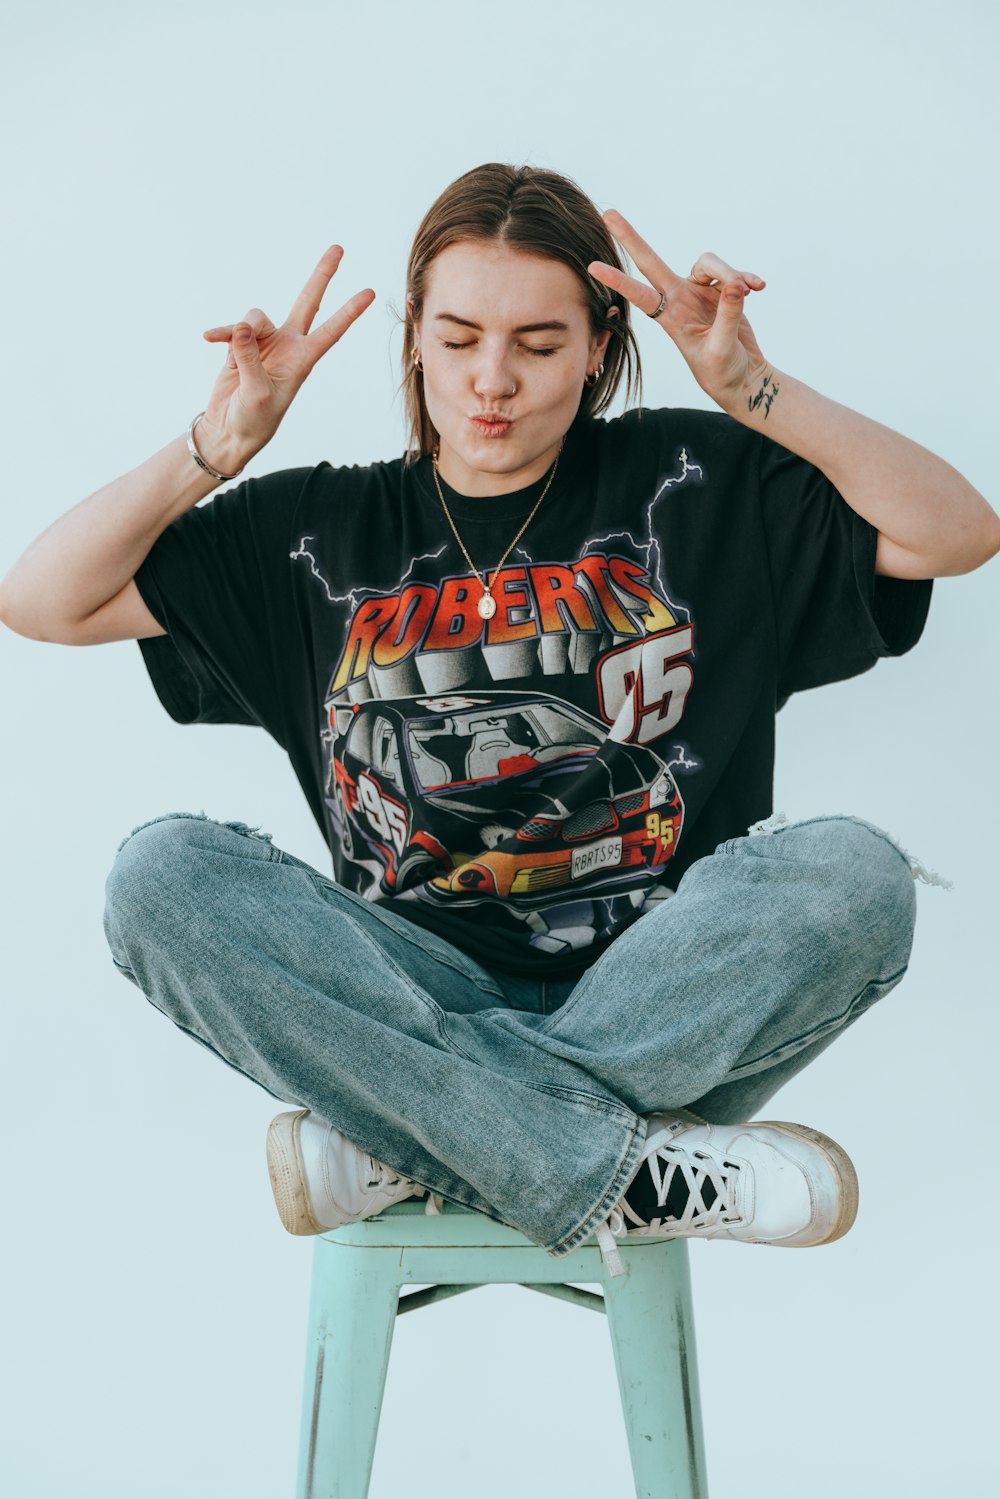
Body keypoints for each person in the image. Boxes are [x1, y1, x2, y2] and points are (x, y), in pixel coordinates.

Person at [2, 163, 996, 1280]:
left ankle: (418, 1143)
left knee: (856, 874)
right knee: (162, 875)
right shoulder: (312, 529)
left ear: (600, 347)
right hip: (401, 992)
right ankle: (624, 1164)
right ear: (413, 338)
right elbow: (44, 599)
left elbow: (955, 532)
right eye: (460, 336)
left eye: (537, 344)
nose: (492, 380)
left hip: (661, 999)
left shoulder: (699, 477)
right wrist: (215, 446)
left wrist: (750, 387)